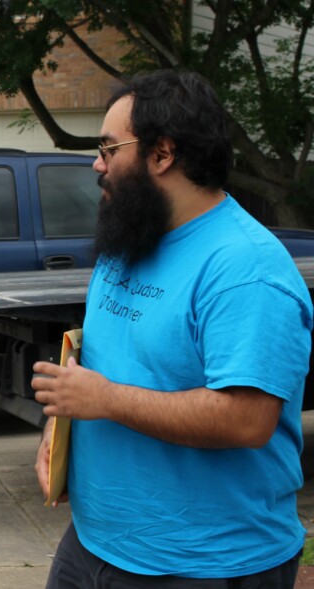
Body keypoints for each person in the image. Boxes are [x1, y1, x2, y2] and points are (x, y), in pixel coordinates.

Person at [31, 69, 313, 587]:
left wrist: (106, 400)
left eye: (109, 148)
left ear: (162, 154)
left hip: (204, 564)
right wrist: (59, 429)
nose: (98, 163)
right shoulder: (131, 238)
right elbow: (95, 362)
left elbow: (246, 419)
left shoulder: (244, 270)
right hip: (93, 543)